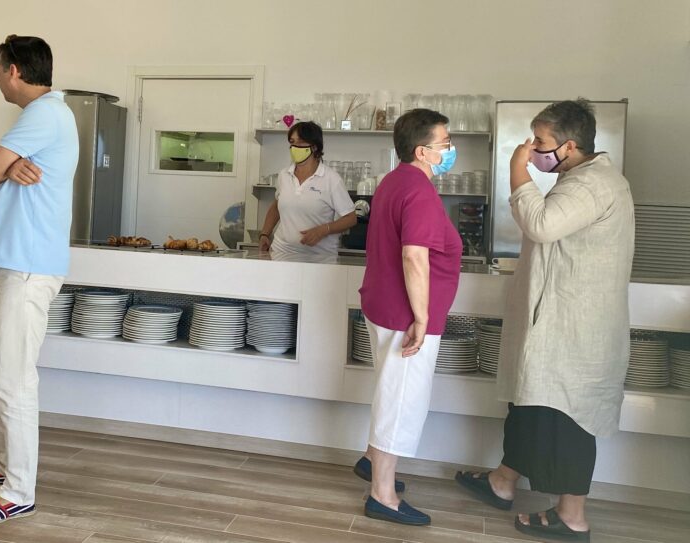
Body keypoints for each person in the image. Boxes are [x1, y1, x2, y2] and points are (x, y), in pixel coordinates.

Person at [455, 99, 633, 542]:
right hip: (556, 321)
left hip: (575, 329)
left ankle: (572, 517)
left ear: (569, 146)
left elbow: (541, 224)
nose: (532, 147)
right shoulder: (579, 179)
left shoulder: (592, 184)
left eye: (540, 141)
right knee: (530, 403)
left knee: (566, 415)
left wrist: (517, 169)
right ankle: (503, 481)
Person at [0, 35, 78, 528]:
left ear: (12, 70)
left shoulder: (45, 113)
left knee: (14, 379)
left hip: (27, 268)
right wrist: (4, 168)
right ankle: (7, 465)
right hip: (11, 266)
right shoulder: (43, 116)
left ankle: (18, 492)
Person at [355, 109, 463, 526]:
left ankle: (372, 460)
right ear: (422, 151)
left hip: (384, 305)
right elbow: (414, 257)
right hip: (405, 315)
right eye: (445, 144)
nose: (450, 150)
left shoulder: (394, 180)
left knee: (391, 388)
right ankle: (382, 495)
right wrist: (421, 317)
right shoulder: (418, 190)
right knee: (401, 400)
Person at [258, 121, 356, 257]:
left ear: (314, 147)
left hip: (319, 259)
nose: (295, 147)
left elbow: (351, 218)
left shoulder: (331, 179)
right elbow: (277, 206)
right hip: (281, 254)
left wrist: (324, 230)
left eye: (301, 142)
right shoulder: (284, 175)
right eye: (292, 142)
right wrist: (265, 234)